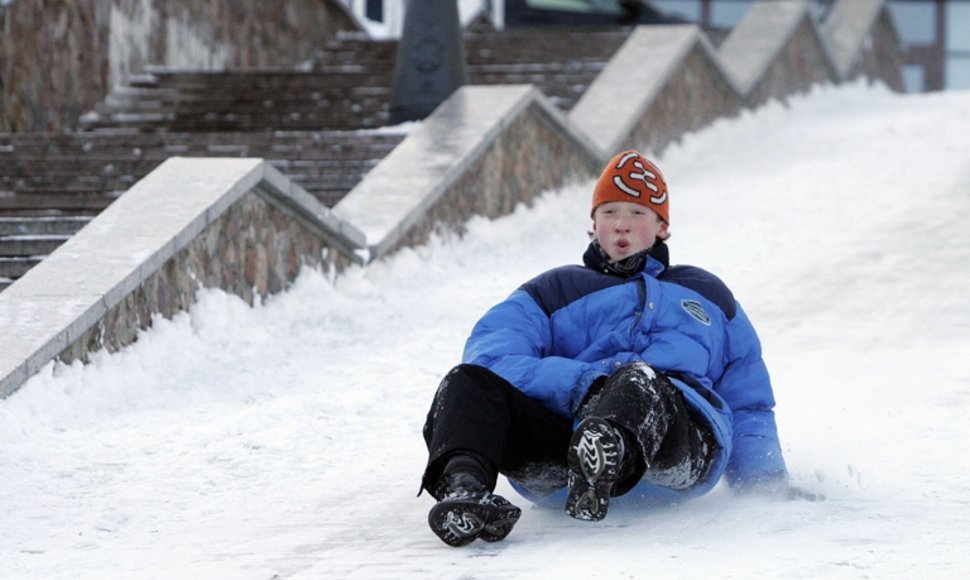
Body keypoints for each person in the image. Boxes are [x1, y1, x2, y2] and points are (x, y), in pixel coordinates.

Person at [420, 150, 802, 548]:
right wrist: (585, 384)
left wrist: (764, 487)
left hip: (678, 443)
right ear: (593, 224)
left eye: (638, 213)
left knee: (639, 377)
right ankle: (465, 492)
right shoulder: (553, 290)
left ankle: (609, 453)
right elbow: (492, 356)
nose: (621, 224)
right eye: (609, 212)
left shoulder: (708, 295)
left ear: (662, 227)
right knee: (467, 382)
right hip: (565, 448)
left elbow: (748, 400)